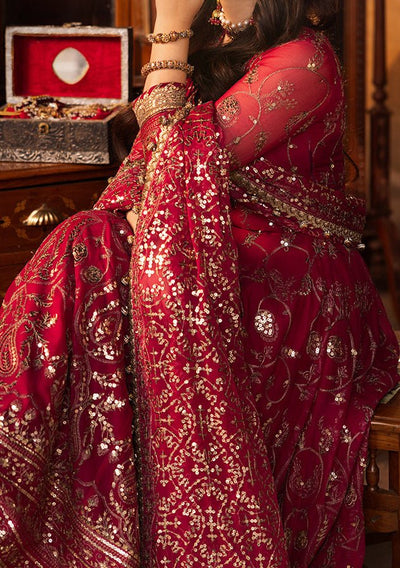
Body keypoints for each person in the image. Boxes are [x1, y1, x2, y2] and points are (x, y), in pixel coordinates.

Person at [0, 0, 398, 566]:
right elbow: (153, 172)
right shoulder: (223, 43)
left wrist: (168, 30)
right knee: (86, 244)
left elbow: (167, 163)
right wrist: (157, 213)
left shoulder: (304, 61)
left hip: (292, 283)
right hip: (213, 249)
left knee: (89, 246)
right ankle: (51, 495)